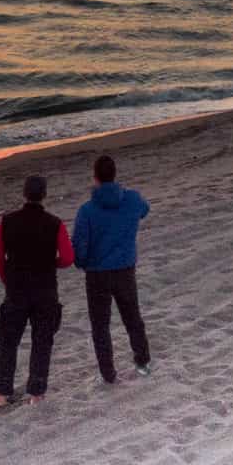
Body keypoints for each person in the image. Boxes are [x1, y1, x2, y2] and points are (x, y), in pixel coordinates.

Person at [0, 174, 74, 409]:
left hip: (17, 289)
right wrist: (51, 262)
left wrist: (7, 279)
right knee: (42, 341)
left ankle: (1, 393)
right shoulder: (55, 223)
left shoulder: (8, 221)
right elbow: (67, 258)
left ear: (24, 194)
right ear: (44, 195)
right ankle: (36, 393)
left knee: (8, 341)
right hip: (45, 290)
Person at [71, 153, 152, 383]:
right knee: (132, 317)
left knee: (100, 325)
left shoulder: (87, 210)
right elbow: (144, 210)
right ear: (114, 176)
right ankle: (142, 360)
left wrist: (82, 263)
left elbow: (80, 247)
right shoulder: (133, 199)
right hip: (124, 269)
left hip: (97, 274)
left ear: (95, 178)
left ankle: (108, 373)